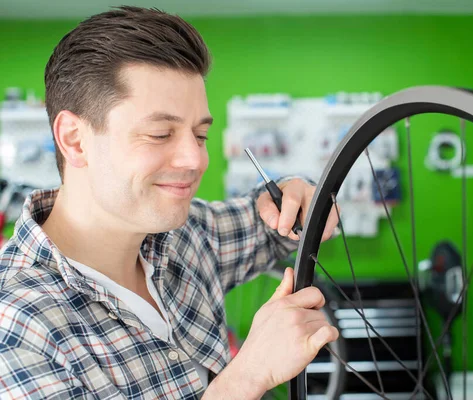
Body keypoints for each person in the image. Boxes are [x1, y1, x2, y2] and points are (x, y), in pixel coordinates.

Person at [0, 6, 340, 399]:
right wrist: (248, 376)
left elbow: (284, 225)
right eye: (160, 134)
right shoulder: (17, 325)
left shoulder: (185, 234)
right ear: (75, 140)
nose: (195, 160)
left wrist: (297, 191)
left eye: (199, 135)